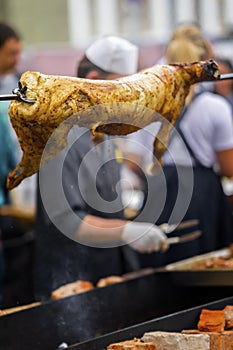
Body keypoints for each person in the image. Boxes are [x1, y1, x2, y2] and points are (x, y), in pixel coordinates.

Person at [33, 36, 169, 301]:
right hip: (70, 282)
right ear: (94, 79)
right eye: (122, 88)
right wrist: (126, 232)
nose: (129, 99)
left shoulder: (104, 130)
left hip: (107, 272)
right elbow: (67, 219)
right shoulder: (60, 136)